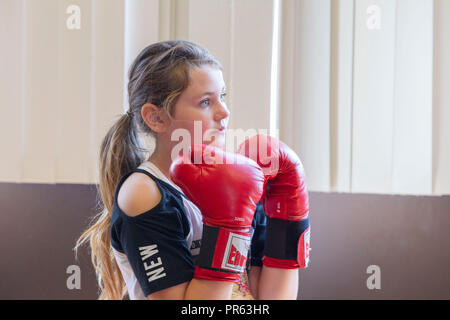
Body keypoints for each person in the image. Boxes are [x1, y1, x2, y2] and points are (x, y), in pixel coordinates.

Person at [75, 40, 309, 300]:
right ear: (156, 117)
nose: (224, 112)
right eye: (205, 102)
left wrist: (289, 214)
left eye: (222, 96)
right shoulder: (144, 193)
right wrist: (227, 228)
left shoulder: (241, 178)